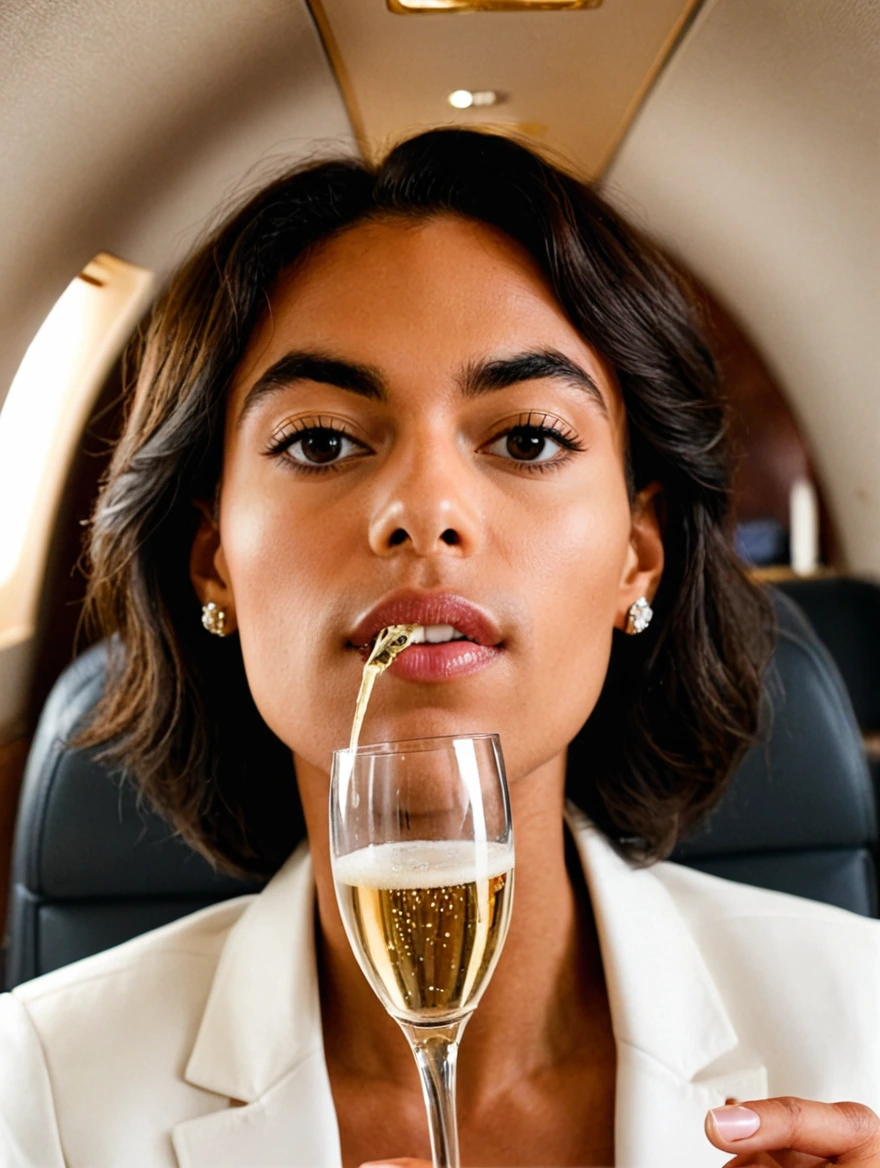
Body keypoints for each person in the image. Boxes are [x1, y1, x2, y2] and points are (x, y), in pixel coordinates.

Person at [1, 128, 878, 1168]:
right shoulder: (36, 1093)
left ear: (637, 559)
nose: (424, 511)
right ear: (213, 562)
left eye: (526, 439)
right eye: (322, 442)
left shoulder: (862, 1027)